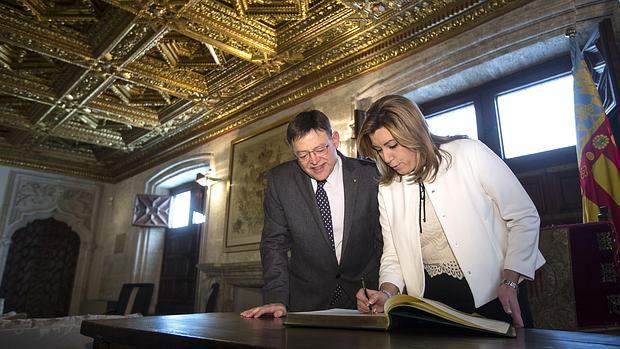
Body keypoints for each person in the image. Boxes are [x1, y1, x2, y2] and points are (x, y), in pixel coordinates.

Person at [354, 95, 545, 328]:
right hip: (430, 303)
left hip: (495, 293)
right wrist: (386, 293)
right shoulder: (388, 188)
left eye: (392, 145)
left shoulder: (468, 153)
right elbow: (393, 253)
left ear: (413, 132)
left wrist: (510, 280)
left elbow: (523, 217)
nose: (386, 157)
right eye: (378, 149)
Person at [241, 110, 383, 318]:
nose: (314, 160)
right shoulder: (280, 182)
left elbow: (384, 239)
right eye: (303, 155)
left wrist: (387, 291)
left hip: (365, 298)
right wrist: (276, 299)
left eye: (320, 149)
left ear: (335, 140)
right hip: (307, 301)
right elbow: (274, 244)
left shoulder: (369, 174)